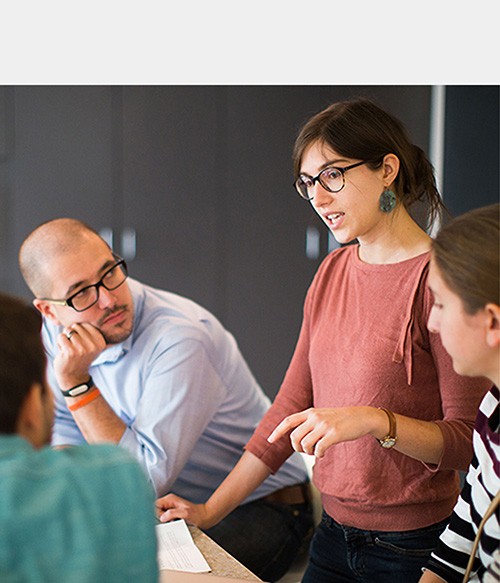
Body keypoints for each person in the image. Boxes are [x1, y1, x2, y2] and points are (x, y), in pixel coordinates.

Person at [156, 98, 492, 583]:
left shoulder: (439, 282)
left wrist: (376, 422)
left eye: (333, 175)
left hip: (412, 548)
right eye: (309, 183)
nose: (318, 197)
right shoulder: (332, 271)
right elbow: (289, 405)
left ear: (387, 170)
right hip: (331, 535)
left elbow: (468, 442)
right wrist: (209, 511)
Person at [18, 218, 313, 582]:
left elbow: (142, 481)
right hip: (163, 513)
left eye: (109, 271)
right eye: (80, 293)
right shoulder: (57, 333)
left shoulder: (179, 337)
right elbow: (65, 431)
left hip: (260, 509)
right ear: (49, 311)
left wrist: (77, 385)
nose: (109, 299)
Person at [0, 291, 158, 582]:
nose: (108, 301)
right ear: (33, 405)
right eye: (80, 292)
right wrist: (75, 383)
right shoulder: (113, 474)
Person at [419, 203, 499, 583]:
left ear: (492, 322)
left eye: (440, 303)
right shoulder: (492, 406)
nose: (432, 322)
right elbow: (465, 528)